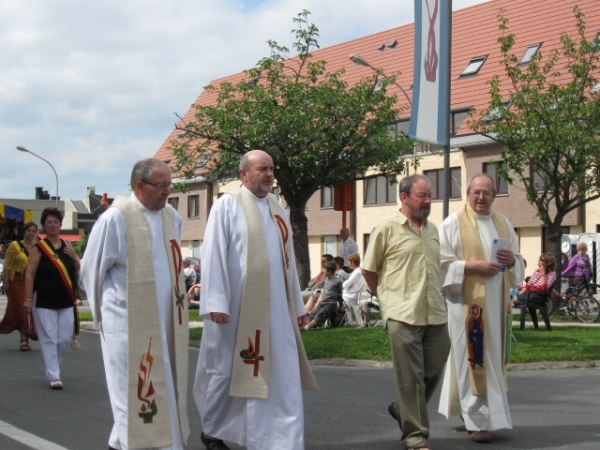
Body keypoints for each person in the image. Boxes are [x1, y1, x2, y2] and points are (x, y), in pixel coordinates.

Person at [193, 150, 317, 450]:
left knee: (279, 373)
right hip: (236, 309)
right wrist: (216, 302)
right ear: (244, 174)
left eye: (272, 169)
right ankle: (213, 429)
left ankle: (279, 437)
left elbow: (287, 263)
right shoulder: (227, 205)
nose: (269, 174)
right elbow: (212, 255)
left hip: (276, 309)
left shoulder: (278, 208)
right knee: (227, 372)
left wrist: (297, 307)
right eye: (263, 169)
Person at [80, 158, 190, 450]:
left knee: (162, 391)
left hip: (166, 322)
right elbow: (91, 270)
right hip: (128, 324)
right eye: (162, 185)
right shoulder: (115, 218)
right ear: (139, 186)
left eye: (170, 185)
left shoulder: (171, 217)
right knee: (134, 394)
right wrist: (105, 317)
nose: (168, 191)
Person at [362, 174, 450, 450]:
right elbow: (368, 268)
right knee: (410, 378)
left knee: (434, 369)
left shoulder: (433, 230)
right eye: (421, 196)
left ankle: (403, 409)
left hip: (434, 311)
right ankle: (415, 436)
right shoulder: (386, 229)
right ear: (404, 197)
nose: (427, 201)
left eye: (429, 196)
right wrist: (387, 300)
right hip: (402, 313)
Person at [437, 173, 525, 444]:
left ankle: (485, 414)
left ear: (494, 195)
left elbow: (519, 263)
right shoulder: (453, 223)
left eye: (487, 192)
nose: (481, 197)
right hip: (465, 306)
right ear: (467, 193)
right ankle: (476, 421)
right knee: (471, 358)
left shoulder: (504, 224)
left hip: (496, 308)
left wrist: (511, 262)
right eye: (476, 192)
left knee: (490, 361)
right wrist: (471, 267)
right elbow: (439, 265)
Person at [24, 208, 80, 390]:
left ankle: (54, 366)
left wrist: (75, 259)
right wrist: (27, 298)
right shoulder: (38, 248)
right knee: (49, 337)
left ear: (60, 224)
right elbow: (30, 273)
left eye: (56, 222)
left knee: (63, 338)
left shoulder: (67, 245)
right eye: (49, 222)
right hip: (44, 299)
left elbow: (77, 269)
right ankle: (54, 375)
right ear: (44, 226)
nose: (53, 225)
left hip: (66, 298)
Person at [0, 222, 39, 350]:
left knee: (22, 311)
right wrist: (6, 281)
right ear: (24, 231)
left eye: (34, 231)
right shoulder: (15, 246)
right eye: (29, 231)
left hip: (31, 281)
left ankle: (24, 334)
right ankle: (24, 339)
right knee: (24, 308)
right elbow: (7, 265)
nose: (31, 233)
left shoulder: (38, 247)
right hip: (16, 280)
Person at [303, 261, 343, 330]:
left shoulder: (337, 281)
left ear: (330, 271)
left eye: (324, 270)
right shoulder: (326, 279)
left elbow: (340, 294)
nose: (323, 272)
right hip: (323, 302)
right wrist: (318, 302)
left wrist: (341, 305)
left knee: (320, 314)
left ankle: (307, 327)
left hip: (330, 303)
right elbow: (323, 291)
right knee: (312, 314)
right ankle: (304, 325)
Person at [341, 253, 364, 326]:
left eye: (349, 262)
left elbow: (345, 285)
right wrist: (348, 284)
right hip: (351, 295)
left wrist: (346, 284)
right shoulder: (359, 271)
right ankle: (349, 321)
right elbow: (348, 284)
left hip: (350, 297)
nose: (348, 264)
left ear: (353, 262)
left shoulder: (356, 273)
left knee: (330, 299)